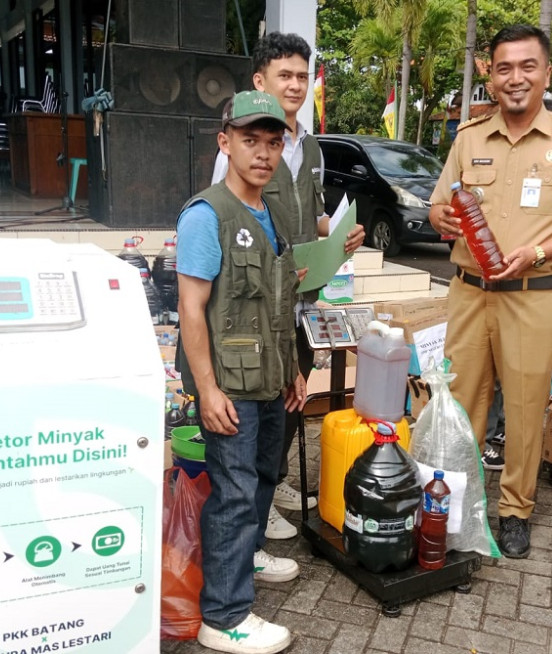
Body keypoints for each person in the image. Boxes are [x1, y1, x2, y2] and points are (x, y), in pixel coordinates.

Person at [427, 24, 552, 558]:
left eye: (527, 66)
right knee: (460, 403)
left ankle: (514, 510)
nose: (516, 78)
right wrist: (441, 216)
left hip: (533, 293)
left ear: (546, 72)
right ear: (491, 74)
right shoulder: (468, 138)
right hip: (468, 291)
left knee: (527, 408)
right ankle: (453, 506)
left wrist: (535, 253)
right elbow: (440, 206)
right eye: (504, 67)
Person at [213, 32, 365, 540]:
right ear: (260, 80)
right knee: (257, 406)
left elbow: (314, 215)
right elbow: (226, 214)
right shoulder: (242, 143)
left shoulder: (312, 146)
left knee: (293, 398)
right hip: (257, 302)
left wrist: (339, 234)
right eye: (285, 75)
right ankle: (253, 505)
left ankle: (272, 485)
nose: (296, 85)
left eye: (303, 75)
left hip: (302, 299)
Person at [176, 90, 306, 654]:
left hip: (270, 378)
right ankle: (224, 616)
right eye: (250, 140)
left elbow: (278, 302)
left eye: (272, 142)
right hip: (228, 384)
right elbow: (191, 309)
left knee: (259, 481)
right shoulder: (207, 215)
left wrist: (294, 369)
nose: (262, 153)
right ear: (224, 142)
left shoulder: (268, 211)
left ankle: (244, 561)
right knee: (232, 495)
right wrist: (206, 389)